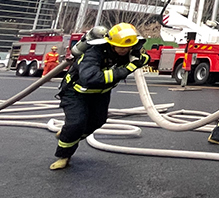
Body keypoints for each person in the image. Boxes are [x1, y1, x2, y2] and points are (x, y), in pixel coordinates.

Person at [49, 23, 150, 170]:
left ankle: (67, 134)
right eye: (120, 47)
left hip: (100, 95)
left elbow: (145, 59)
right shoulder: (94, 52)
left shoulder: (129, 51)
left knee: (98, 121)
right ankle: (64, 156)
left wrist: (139, 58)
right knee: (76, 123)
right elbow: (91, 78)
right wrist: (129, 68)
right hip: (76, 93)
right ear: (111, 43)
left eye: (127, 47)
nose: (124, 50)